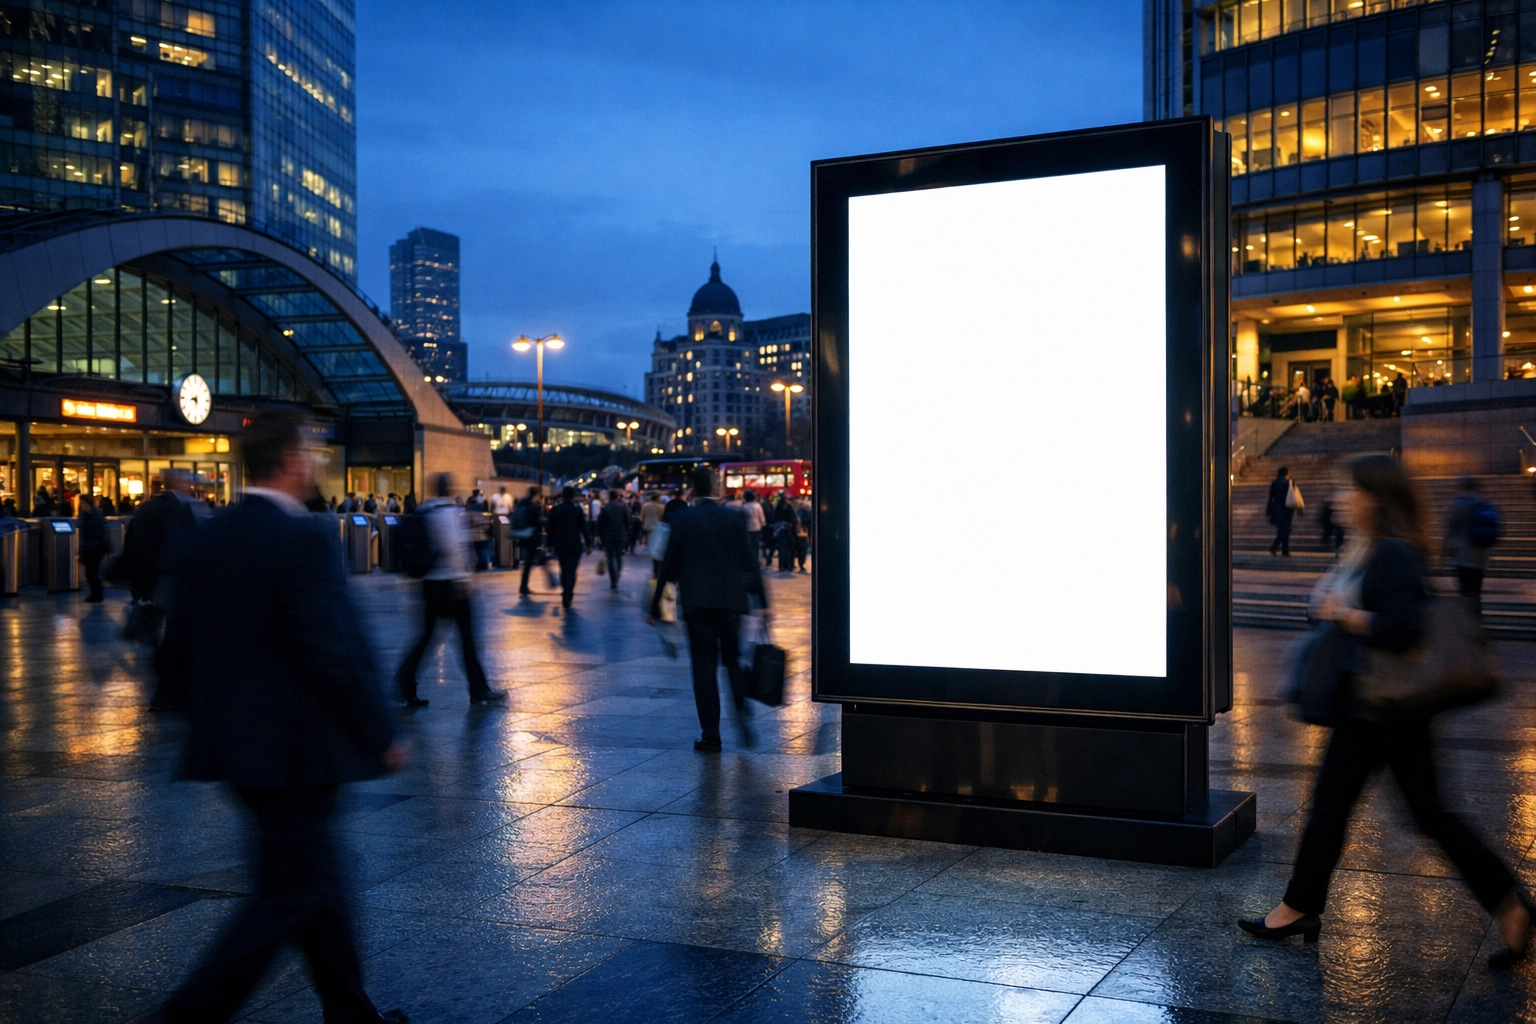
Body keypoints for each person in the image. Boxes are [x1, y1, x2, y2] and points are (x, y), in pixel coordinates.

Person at [151, 413, 408, 1024]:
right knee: (288, 895)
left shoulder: (209, 534)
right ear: (290, 463)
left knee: (315, 883)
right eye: (309, 455)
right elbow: (332, 647)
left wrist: (203, 715)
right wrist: (380, 733)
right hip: (296, 748)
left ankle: (352, 1015)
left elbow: (177, 644)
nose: (315, 463)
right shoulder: (302, 538)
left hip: (235, 746)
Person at [1239, 454, 1534, 966]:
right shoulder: (1367, 549)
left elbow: (1403, 629)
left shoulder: (1392, 554)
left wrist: (1344, 614)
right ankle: (1299, 906)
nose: (1339, 498)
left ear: (1375, 497)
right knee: (1372, 812)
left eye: (1348, 489)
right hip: (1373, 708)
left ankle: (1509, 903)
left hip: (1386, 710)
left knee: (1411, 815)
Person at [649, 467, 768, 752]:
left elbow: (669, 567)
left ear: (693, 489)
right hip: (731, 603)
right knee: (732, 660)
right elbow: (750, 563)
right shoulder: (734, 517)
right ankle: (740, 711)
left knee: (703, 667)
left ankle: (710, 733)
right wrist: (764, 603)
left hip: (697, 604)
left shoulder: (683, 519)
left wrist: (656, 607)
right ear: (718, 490)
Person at [394, 473, 505, 707]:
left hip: (430, 584)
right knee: (467, 638)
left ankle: (405, 685)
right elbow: (453, 547)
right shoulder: (452, 513)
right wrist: (464, 578)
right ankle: (479, 690)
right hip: (452, 584)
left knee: (425, 638)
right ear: (450, 488)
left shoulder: (425, 511)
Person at [1445, 476, 1495, 616]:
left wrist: (1445, 551)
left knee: (1465, 593)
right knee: (1476, 593)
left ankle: (1468, 629)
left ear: (1462, 487)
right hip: (1480, 556)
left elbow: (1450, 529)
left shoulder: (1458, 504)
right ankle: (1477, 626)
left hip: (1463, 555)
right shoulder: (1485, 503)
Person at [546, 486, 590, 611]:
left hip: (560, 544)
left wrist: (549, 544)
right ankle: (568, 593)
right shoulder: (578, 510)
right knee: (572, 570)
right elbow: (584, 527)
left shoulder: (555, 510)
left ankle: (565, 590)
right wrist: (589, 544)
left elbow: (550, 528)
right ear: (573, 496)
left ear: (562, 495)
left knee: (563, 569)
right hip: (575, 544)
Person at [597, 489, 633, 589]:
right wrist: (626, 531)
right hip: (621, 535)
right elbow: (628, 520)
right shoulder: (623, 506)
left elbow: (601, 522)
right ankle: (617, 574)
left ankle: (613, 580)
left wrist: (599, 535)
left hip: (608, 535)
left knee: (610, 557)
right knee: (618, 556)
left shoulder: (605, 507)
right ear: (617, 497)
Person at [77, 493, 109, 603]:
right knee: (92, 572)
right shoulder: (91, 515)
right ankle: (96, 594)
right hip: (92, 547)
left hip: (95, 548)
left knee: (91, 573)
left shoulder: (92, 516)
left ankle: (97, 594)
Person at [514, 488, 545, 595]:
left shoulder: (521, 505)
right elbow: (536, 522)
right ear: (535, 496)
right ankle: (523, 586)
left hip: (523, 536)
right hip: (531, 537)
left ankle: (523, 585)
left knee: (528, 561)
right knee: (528, 562)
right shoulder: (532, 507)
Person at [1266, 465, 1295, 557]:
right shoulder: (1290, 482)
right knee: (1286, 529)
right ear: (1287, 473)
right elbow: (1294, 496)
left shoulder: (1274, 483)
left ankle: (1284, 550)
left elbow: (1271, 498)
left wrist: (1269, 511)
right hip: (1288, 508)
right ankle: (1275, 547)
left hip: (1277, 509)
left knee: (1282, 530)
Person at [772, 494, 800, 571]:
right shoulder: (789, 507)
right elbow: (793, 518)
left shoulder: (777, 507)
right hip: (789, 529)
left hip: (780, 530)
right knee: (790, 548)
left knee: (781, 548)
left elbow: (774, 518)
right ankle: (790, 565)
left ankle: (782, 565)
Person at [740, 488, 765, 561]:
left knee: (749, 545)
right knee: (756, 545)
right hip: (757, 527)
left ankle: (749, 560)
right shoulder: (757, 505)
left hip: (747, 528)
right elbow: (762, 517)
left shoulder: (744, 506)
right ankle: (755, 560)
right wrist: (763, 525)